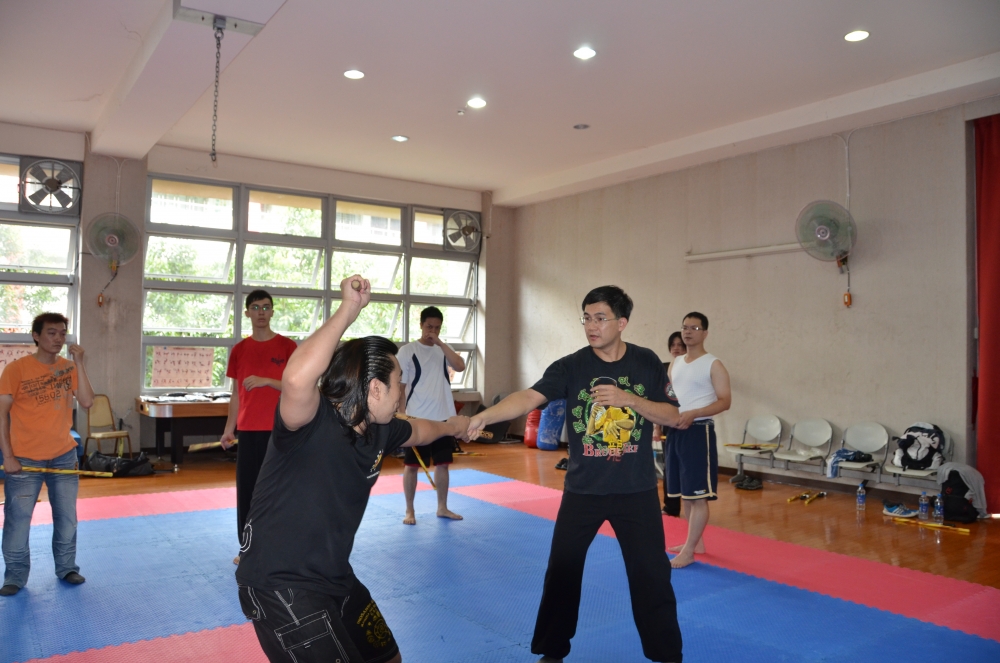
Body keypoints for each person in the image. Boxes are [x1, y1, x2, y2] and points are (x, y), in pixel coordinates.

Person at [235, 275, 470, 663]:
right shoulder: (310, 420)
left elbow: (421, 430)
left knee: (388, 657)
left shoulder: (381, 428)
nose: (402, 392)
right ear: (375, 388)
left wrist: (453, 426)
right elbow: (296, 377)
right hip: (280, 585)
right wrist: (349, 308)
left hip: (335, 576)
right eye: (398, 383)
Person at [468, 286, 684, 663]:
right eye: (586, 318)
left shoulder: (646, 362)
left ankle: (667, 655)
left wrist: (629, 400)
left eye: (600, 318)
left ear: (622, 322)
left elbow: (673, 416)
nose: (591, 326)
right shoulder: (571, 366)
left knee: (652, 576)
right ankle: (553, 652)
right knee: (562, 571)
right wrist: (485, 416)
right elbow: (530, 397)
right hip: (583, 491)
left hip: (636, 491)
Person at [0, 313, 94, 596]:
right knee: (18, 520)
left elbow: (87, 401)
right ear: (36, 336)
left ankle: (66, 568)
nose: (58, 338)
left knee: (67, 517)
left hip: (63, 455)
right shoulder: (16, 370)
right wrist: (8, 456)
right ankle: (15, 576)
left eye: (62, 333)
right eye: (51, 333)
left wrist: (79, 363)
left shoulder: (69, 368)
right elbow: (1, 414)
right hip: (24, 458)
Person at [221, 289, 298, 565]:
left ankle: (280, 548)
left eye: (266, 307)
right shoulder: (239, 350)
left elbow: (297, 386)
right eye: (255, 307)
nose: (261, 312)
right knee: (248, 492)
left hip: (280, 430)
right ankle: (248, 549)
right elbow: (236, 395)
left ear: (273, 311)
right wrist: (229, 428)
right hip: (249, 431)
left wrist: (267, 380)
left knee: (279, 491)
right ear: (247, 313)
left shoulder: (287, 347)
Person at [665, 312, 732, 569]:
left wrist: (695, 413)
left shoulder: (714, 364)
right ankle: (696, 543)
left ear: (705, 333)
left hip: (698, 431)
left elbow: (725, 401)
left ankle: (689, 551)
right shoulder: (675, 363)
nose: (688, 331)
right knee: (685, 493)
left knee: (698, 494)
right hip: (675, 430)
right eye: (685, 327)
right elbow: (669, 396)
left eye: (694, 328)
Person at [397, 306, 465, 525]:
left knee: (443, 464)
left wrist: (441, 344)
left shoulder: (444, 350)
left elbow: (460, 366)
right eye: (429, 327)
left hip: (444, 417)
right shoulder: (407, 351)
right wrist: (401, 414)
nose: (432, 331)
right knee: (411, 465)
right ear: (421, 325)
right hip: (417, 418)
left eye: (436, 328)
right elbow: (400, 387)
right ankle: (409, 511)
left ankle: (442, 507)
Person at [656, 331, 686, 516]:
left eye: (680, 345)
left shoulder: (692, 368)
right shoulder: (665, 369)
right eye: (673, 345)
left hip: (689, 421)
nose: (676, 348)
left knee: (686, 466)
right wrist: (656, 426)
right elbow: (659, 399)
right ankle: (671, 507)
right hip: (669, 422)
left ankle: (692, 505)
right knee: (670, 465)